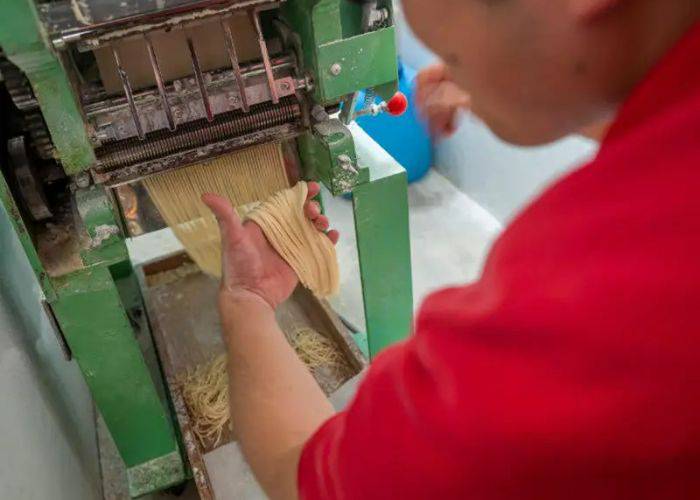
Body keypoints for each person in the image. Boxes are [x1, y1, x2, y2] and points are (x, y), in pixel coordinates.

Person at [201, 0, 700, 498]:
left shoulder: (587, 296)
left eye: (452, 56)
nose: (438, 74)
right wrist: (511, 84)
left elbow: (308, 478)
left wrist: (246, 299)